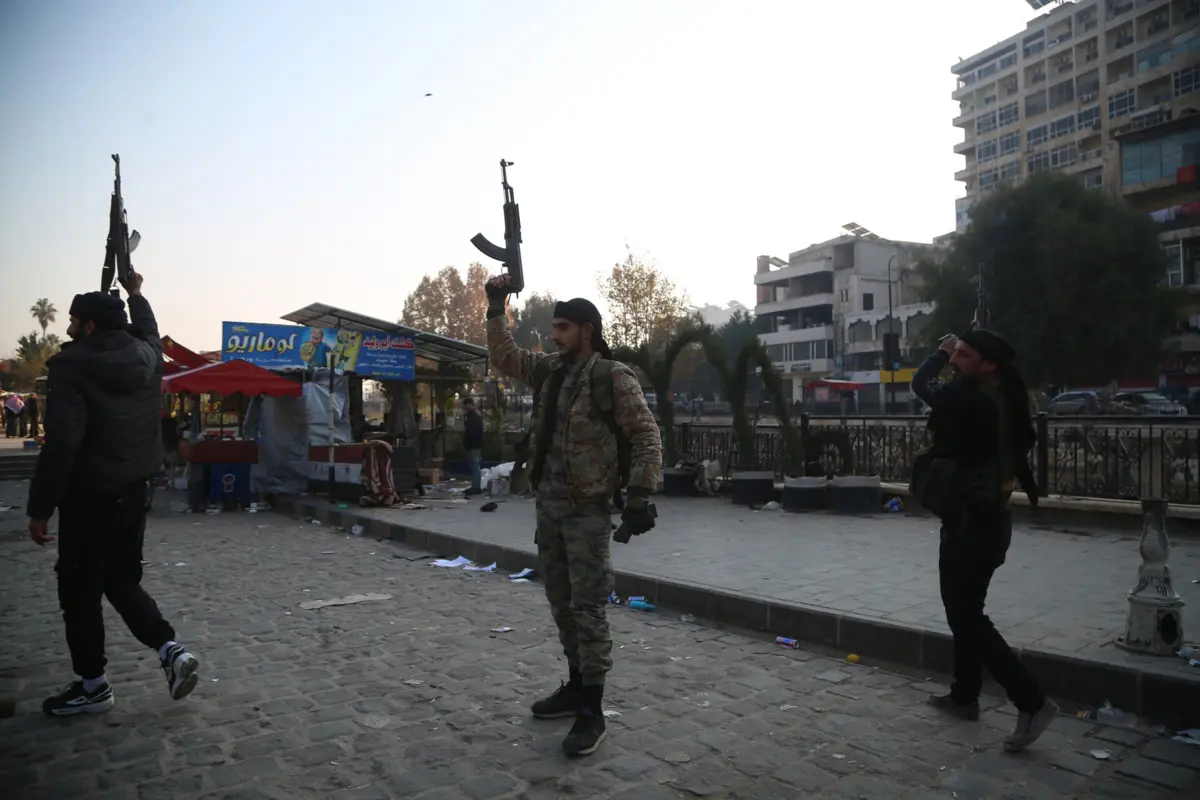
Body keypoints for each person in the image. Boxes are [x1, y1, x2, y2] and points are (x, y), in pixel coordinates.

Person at [484, 273, 661, 757]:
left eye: (563, 327)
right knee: (561, 602)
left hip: (587, 511)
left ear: (586, 329)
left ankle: (593, 709)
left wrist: (642, 493)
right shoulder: (549, 372)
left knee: (588, 607)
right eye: (554, 327)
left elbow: (646, 435)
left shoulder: (612, 377)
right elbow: (505, 357)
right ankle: (576, 685)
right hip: (550, 508)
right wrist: (496, 307)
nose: (555, 335)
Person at [27, 270, 200, 717]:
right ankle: (171, 651)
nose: (66, 327)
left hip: (88, 499)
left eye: (71, 320)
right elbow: (148, 332)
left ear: (86, 326)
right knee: (121, 581)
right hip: (135, 494)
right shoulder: (147, 356)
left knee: (79, 593)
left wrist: (40, 506)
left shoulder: (70, 367)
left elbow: (63, 443)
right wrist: (137, 293)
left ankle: (93, 685)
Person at [911, 329, 1057, 753]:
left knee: (968, 617)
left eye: (964, 354)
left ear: (989, 364)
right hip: (989, 521)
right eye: (955, 352)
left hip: (970, 526)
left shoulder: (971, 401)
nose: (956, 359)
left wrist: (937, 352)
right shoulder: (1004, 398)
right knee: (965, 611)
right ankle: (964, 695)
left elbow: (922, 385)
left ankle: (1032, 702)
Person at [462, 397, 485, 495]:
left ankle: (476, 487)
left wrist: (467, 442)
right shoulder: (472, 417)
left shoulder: (473, 418)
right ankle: (475, 486)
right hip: (474, 445)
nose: (467, 406)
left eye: (469, 404)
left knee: (475, 466)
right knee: (474, 465)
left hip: (474, 445)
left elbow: (472, 432)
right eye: (466, 404)